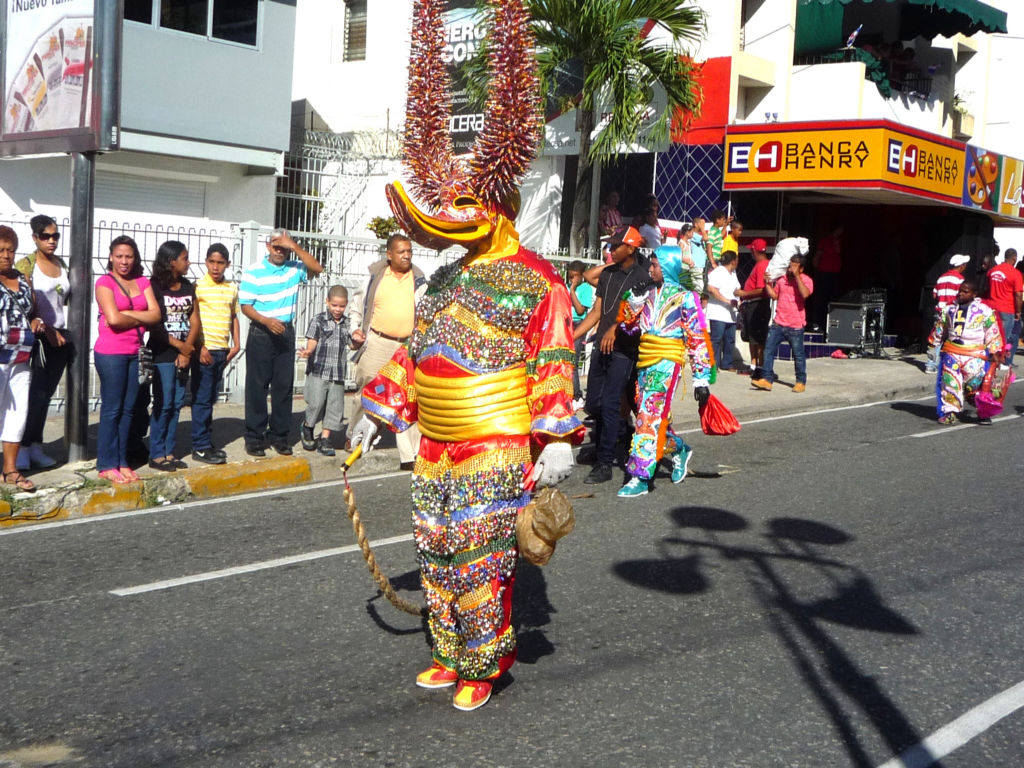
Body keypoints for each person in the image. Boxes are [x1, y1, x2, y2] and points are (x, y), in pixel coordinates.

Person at [616, 249, 711, 497]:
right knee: (649, 416)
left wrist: (701, 377)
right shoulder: (647, 293)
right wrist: (634, 299)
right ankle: (678, 448)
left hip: (667, 362)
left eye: (656, 265)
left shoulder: (685, 298)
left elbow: (697, 337)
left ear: (667, 266)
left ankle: (640, 477)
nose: (651, 269)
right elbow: (628, 327)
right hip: (645, 362)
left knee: (647, 416)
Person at [572, 225, 650, 484]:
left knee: (609, 404)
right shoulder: (609, 274)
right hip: (600, 348)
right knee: (593, 404)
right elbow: (596, 312)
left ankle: (604, 461)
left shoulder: (642, 277)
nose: (610, 250)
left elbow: (637, 316)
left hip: (624, 350)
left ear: (630, 247)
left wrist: (615, 329)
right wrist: (571, 338)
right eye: (610, 245)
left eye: (616, 246)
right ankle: (620, 436)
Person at [239, 230, 324, 457]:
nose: (280, 252)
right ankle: (255, 437)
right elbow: (245, 305)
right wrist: (266, 321)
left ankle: (279, 435)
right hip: (261, 332)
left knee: (283, 387)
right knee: (257, 387)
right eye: (277, 247)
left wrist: (295, 247)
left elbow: (318, 269)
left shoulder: (294, 269)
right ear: (268, 247)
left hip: (285, 332)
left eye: (284, 248)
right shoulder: (254, 272)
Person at [346, 233, 427, 469]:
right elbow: (356, 307)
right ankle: (355, 436)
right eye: (401, 252)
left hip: (407, 345)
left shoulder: (420, 280)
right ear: (389, 254)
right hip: (378, 342)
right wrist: (355, 331)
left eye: (409, 251)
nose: (407, 255)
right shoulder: (375, 277)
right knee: (368, 388)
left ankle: (409, 455)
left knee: (408, 396)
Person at [94, 236, 161, 484]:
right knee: (112, 409)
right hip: (111, 353)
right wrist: (141, 316)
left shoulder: (142, 282)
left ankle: (122, 461)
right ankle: (106, 463)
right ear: (111, 257)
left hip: (135, 351)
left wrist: (128, 315)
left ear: (135, 258)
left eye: (129, 256)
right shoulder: (104, 282)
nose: (124, 261)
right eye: (119, 256)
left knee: (129, 409)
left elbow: (156, 316)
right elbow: (113, 319)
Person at [15, 215, 70, 470]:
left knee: (46, 394)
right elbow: (20, 305)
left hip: (60, 337)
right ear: (35, 237)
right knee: (33, 394)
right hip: (37, 338)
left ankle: (36, 446)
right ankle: (21, 448)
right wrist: (42, 327)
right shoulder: (26, 265)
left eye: (55, 236)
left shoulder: (61, 264)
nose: (52, 241)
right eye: (46, 236)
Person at [0, 226, 47, 492]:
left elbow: (31, 312)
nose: (7, 256)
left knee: (17, 415)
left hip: (22, 356)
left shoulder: (22, 280)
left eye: (11, 250)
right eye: (1, 251)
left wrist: (36, 321)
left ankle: (11, 470)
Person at [146, 241, 200, 472]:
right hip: (162, 352)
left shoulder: (187, 286)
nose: (188, 262)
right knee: (164, 402)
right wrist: (179, 346)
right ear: (171, 261)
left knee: (177, 403)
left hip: (183, 353)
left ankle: (170, 451)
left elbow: (195, 319)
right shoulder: (155, 286)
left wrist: (187, 349)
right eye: (184, 258)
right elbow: (154, 324)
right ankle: (156, 454)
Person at [190, 243, 240, 465]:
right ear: (206, 262)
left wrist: (236, 344)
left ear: (227, 264)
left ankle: (206, 442)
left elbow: (234, 316)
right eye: (212, 262)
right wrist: (200, 347)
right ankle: (200, 446)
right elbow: (193, 319)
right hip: (205, 350)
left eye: (220, 263)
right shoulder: (198, 287)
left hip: (222, 351)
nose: (216, 267)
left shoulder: (231, 287)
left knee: (210, 399)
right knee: (201, 400)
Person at [928, 278, 1003, 424]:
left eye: (965, 292)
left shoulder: (985, 311)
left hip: (974, 355)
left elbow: (992, 332)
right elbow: (940, 328)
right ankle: (950, 412)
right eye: (960, 291)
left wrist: (995, 352)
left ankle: (984, 411)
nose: (960, 294)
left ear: (974, 294)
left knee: (974, 386)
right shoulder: (949, 309)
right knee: (950, 383)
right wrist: (934, 344)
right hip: (952, 352)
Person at [298, 285, 352, 457]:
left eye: (341, 306)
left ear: (346, 305)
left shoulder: (348, 323)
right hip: (318, 371)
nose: (337, 309)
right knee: (316, 403)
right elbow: (312, 340)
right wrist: (308, 351)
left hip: (337, 372)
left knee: (335, 407)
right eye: (334, 305)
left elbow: (352, 344)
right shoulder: (318, 320)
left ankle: (325, 438)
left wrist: (358, 340)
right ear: (327, 302)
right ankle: (308, 427)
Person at [753, 252, 814, 393]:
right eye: (790, 266)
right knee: (768, 350)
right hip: (779, 322)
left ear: (801, 269)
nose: (790, 269)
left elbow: (805, 294)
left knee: (798, 355)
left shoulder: (807, 280)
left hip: (796, 325)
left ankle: (800, 382)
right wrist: (767, 283)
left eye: (794, 267)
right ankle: (767, 379)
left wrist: (797, 276)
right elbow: (774, 296)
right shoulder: (782, 280)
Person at [925, 254, 970, 374]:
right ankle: (952, 365)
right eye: (964, 265)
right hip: (952, 314)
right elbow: (961, 296)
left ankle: (930, 365)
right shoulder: (960, 280)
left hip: (939, 312)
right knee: (953, 339)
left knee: (936, 339)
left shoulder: (941, 278)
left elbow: (934, 295)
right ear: (961, 266)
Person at [736, 238, 771, 379]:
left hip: (757, 304)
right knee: (753, 338)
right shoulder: (761, 264)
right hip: (754, 304)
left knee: (757, 338)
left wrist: (744, 293)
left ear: (754, 251)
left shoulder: (762, 265)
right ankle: (754, 366)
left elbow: (762, 289)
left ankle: (759, 368)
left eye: (752, 250)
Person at [983, 248, 1022, 367]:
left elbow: (987, 288)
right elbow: (1018, 295)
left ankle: (989, 360)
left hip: (992, 308)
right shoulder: (1015, 274)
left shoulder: (993, 271)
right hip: (1007, 309)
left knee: (990, 336)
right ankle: (1003, 362)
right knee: (1006, 338)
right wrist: (1018, 312)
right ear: (1014, 259)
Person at [706, 250, 742, 373]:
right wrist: (726, 301)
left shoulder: (733, 273)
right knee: (716, 339)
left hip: (731, 313)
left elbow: (737, 289)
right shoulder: (718, 272)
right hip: (718, 312)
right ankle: (713, 365)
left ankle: (727, 363)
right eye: (737, 260)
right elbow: (711, 289)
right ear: (733, 261)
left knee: (730, 339)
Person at [566, 260, 594, 409]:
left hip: (579, 325)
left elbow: (580, 310)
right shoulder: (566, 287)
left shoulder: (585, 288)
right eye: (570, 277)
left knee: (573, 361)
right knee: (565, 359)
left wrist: (572, 291)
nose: (572, 280)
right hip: (567, 323)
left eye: (575, 277)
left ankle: (577, 395)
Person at [812, 224, 843, 330]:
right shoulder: (826, 241)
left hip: (834, 274)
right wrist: (820, 272)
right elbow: (816, 258)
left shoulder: (839, 241)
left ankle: (832, 324)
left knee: (833, 299)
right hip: (825, 274)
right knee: (821, 299)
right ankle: (816, 323)